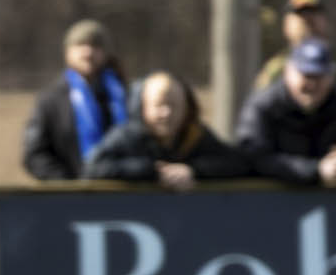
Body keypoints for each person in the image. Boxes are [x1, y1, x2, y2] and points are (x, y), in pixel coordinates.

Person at [236, 38, 336, 188]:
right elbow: (254, 156)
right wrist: (316, 170)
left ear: (332, 77)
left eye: (319, 76)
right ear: (288, 72)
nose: (312, 85)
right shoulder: (264, 106)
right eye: (306, 75)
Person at [84, 72, 250, 190]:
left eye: (174, 105)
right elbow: (93, 168)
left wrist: (193, 170)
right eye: (159, 105)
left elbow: (237, 163)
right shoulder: (126, 136)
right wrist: (151, 171)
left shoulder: (195, 135)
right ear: (143, 107)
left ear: (186, 110)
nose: (166, 113)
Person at [22, 20, 128, 180]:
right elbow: (35, 154)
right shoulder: (50, 100)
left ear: (106, 53)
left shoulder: (122, 96)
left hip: (122, 194)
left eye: (95, 45)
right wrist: (68, 186)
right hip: (67, 196)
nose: (88, 52)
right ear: (67, 52)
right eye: (80, 45)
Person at [254, 0, 336, 101]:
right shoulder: (277, 69)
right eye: (301, 16)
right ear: (286, 25)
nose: (308, 21)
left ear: (326, 21)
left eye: (314, 14)